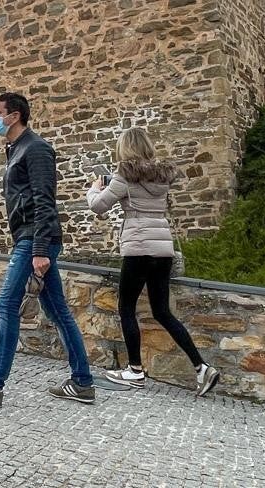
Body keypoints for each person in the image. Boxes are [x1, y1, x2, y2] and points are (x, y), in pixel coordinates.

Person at [0, 92, 96, 408]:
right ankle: (82, 382)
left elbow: (45, 200)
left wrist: (40, 249)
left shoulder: (37, 149)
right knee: (57, 310)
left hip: (35, 240)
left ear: (14, 115)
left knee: (6, 305)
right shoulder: (16, 149)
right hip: (29, 239)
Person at [87, 127, 220, 397]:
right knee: (162, 311)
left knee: (126, 307)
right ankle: (201, 366)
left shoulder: (124, 175)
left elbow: (99, 206)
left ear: (124, 148)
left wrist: (93, 189)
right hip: (163, 249)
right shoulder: (162, 177)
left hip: (138, 248)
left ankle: (135, 370)